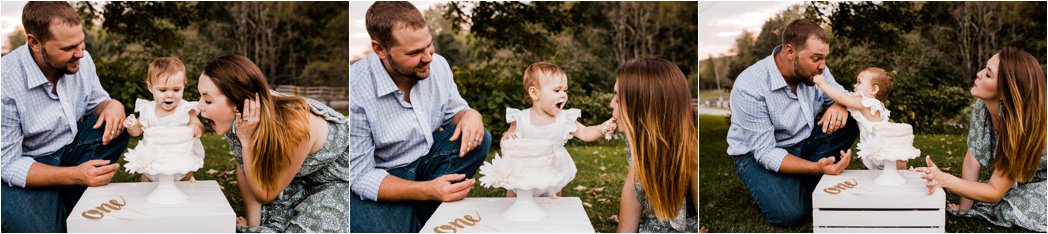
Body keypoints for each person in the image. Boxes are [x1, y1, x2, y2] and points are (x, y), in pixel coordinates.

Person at [349, 2, 491, 232]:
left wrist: (470, 114)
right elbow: (360, 176)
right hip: (384, 174)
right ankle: (418, 209)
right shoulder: (356, 87)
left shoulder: (439, 65)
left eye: (429, 45)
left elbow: (455, 112)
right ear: (380, 49)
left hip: (428, 160)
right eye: (415, 53)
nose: (428, 57)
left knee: (480, 138)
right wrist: (427, 190)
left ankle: (420, 210)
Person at [1, 2, 130, 232]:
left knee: (119, 127)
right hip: (30, 164)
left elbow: (98, 102)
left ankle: (65, 195)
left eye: (82, 43)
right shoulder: (5, 81)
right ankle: (62, 196)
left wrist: (112, 105)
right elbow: (8, 165)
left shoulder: (82, 60)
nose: (80, 53)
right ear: (34, 42)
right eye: (69, 48)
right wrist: (75, 175)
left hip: (71, 149)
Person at [725, 19, 858, 226]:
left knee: (850, 119)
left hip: (804, 140)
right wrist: (816, 168)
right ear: (789, 52)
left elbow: (845, 96)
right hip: (758, 153)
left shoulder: (817, 70)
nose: (822, 65)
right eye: (816, 58)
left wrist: (839, 104)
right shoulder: (749, 87)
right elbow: (765, 152)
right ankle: (794, 185)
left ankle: (798, 183)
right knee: (791, 215)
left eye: (824, 58)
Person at [196, 55, 349, 232]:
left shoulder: (294, 126)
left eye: (207, 100)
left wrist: (247, 144)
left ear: (238, 102)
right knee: (272, 220)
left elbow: (266, 195)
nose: (200, 106)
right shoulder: (243, 119)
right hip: (303, 178)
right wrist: (254, 224)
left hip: (341, 178)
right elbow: (244, 167)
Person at [917, 48, 1046, 232]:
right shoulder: (983, 106)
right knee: (989, 200)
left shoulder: (1021, 127)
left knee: (1005, 209)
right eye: (984, 69)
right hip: (1024, 178)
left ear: (1005, 92)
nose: (978, 75)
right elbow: (972, 159)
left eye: (987, 74)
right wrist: (964, 210)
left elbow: (994, 192)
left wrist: (944, 179)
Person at [501, 62, 616, 197]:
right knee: (514, 193)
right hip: (524, 171)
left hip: (553, 170)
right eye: (557, 90)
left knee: (554, 199)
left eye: (565, 90)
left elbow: (585, 133)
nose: (563, 95)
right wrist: (507, 139)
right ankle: (511, 211)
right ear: (534, 93)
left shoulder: (564, 119)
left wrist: (601, 129)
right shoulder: (521, 118)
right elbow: (507, 139)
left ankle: (555, 211)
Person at [613, 58, 698, 233]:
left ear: (642, 108)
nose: (611, 104)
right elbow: (632, 188)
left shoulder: (692, 152)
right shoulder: (638, 141)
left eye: (617, 99)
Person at [122, 57, 205, 182]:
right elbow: (136, 132)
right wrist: (132, 126)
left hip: (180, 159)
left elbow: (198, 127)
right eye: (163, 90)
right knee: (146, 180)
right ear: (150, 87)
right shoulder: (147, 110)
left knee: (186, 179)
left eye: (176, 89)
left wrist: (196, 128)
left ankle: (186, 189)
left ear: (183, 86)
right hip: (153, 160)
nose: (170, 95)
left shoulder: (185, 109)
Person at [812, 67, 909, 170]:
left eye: (859, 82)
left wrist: (822, 83)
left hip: (882, 146)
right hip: (874, 144)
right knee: (882, 173)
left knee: (893, 170)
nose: (855, 85)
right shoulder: (870, 103)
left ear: (874, 89)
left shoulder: (868, 103)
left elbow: (842, 98)